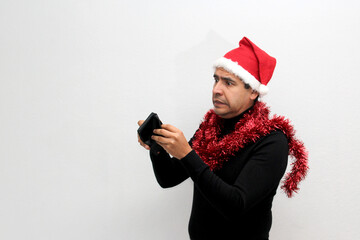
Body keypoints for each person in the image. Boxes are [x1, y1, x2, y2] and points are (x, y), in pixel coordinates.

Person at [137, 37, 308, 240]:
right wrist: (157, 146)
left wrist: (187, 154)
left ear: (253, 91)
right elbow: (169, 178)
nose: (217, 89)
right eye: (216, 79)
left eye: (228, 83)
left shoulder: (271, 141)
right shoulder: (210, 129)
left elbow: (235, 205)